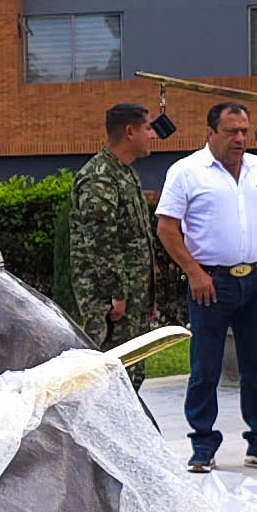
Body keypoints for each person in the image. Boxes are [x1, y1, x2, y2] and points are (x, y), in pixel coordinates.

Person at [155, 99, 257, 474]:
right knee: (206, 367)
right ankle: (203, 444)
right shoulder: (187, 172)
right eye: (231, 131)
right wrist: (194, 273)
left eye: (244, 132)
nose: (239, 139)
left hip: (255, 282)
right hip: (210, 283)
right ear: (210, 133)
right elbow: (167, 228)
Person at [64, 102, 166, 348]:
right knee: (114, 366)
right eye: (147, 128)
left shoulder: (125, 174)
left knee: (134, 366)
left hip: (132, 299)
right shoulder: (99, 177)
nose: (153, 135)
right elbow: (101, 243)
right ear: (130, 132)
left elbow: (137, 241)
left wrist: (146, 297)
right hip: (110, 306)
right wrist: (117, 293)